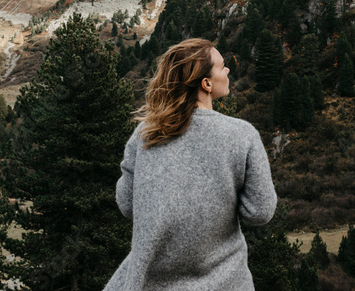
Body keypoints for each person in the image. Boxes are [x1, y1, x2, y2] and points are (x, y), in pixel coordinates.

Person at [103, 38, 277, 290]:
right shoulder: (241, 135)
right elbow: (260, 212)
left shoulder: (145, 134)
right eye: (222, 66)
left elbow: (127, 205)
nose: (227, 71)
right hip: (225, 283)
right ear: (206, 83)